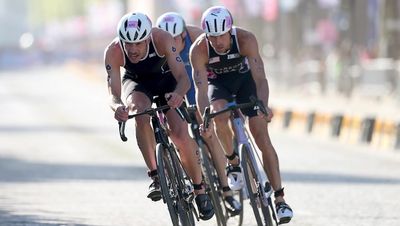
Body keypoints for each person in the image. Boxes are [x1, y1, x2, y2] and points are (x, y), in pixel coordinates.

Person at [104, 12, 214, 220]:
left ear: (148, 37)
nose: (133, 49)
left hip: (166, 80)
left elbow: (183, 77)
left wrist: (178, 94)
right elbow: (113, 93)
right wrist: (118, 107)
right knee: (138, 112)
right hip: (137, 83)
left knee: (181, 135)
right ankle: (155, 174)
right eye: (128, 44)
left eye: (138, 43)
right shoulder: (114, 51)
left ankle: (200, 189)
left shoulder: (162, 38)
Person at [189, 6, 293, 224]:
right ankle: (233, 163)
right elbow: (200, 90)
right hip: (219, 86)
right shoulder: (199, 49)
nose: (217, 42)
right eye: (212, 37)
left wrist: (263, 105)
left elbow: (261, 79)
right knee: (217, 114)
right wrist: (204, 117)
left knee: (261, 135)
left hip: (246, 82)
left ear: (230, 30)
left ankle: (280, 199)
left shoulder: (246, 39)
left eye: (222, 36)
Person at [156, 12, 242, 215]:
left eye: (176, 38)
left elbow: (209, 73)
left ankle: (226, 191)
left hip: (197, 85)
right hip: (176, 88)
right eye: (168, 39)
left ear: (184, 34)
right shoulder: (159, 45)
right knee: (177, 133)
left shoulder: (197, 38)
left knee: (209, 132)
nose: (172, 42)